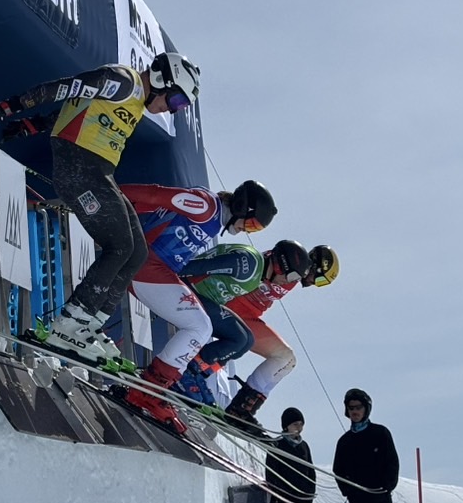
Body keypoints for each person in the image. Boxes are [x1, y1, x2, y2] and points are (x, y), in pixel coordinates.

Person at [0, 51, 200, 361]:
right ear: (162, 79)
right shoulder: (123, 82)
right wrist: (10, 106)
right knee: (118, 245)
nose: (171, 111)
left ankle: (90, 325)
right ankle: (69, 323)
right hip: (79, 168)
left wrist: (29, 124)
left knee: (137, 252)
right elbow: (67, 88)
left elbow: (74, 112)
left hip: (96, 171)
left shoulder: (133, 104)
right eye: (176, 102)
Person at [119, 180, 276, 432]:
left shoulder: (211, 218)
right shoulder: (206, 206)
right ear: (239, 207)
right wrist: (111, 194)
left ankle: (153, 387)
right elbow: (155, 194)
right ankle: (151, 388)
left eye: (254, 229)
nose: (246, 230)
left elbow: (155, 210)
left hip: (153, 268)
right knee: (200, 326)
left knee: (201, 326)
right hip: (149, 267)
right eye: (250, 223)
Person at [175, 240, 310, 409]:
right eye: (292, 277)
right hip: (191, 294)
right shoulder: (251, 265)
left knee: (245, 340)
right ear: (279, 266)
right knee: (239, 338)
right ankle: (186, 374)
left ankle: (197, 375)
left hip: (205, 300)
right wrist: (170, 278)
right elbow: (203, 265)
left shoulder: (257, 274)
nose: (290, 282)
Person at [222, 244, 339, 428]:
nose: (314, 284)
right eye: (321, 280)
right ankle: (238, 407)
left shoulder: (294, 275)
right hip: (233, 309)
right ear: (317, 267)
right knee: (284, 357)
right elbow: (269, 259)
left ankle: (244, 407)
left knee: (287, 360)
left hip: (248, 318)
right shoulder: (292, 264)